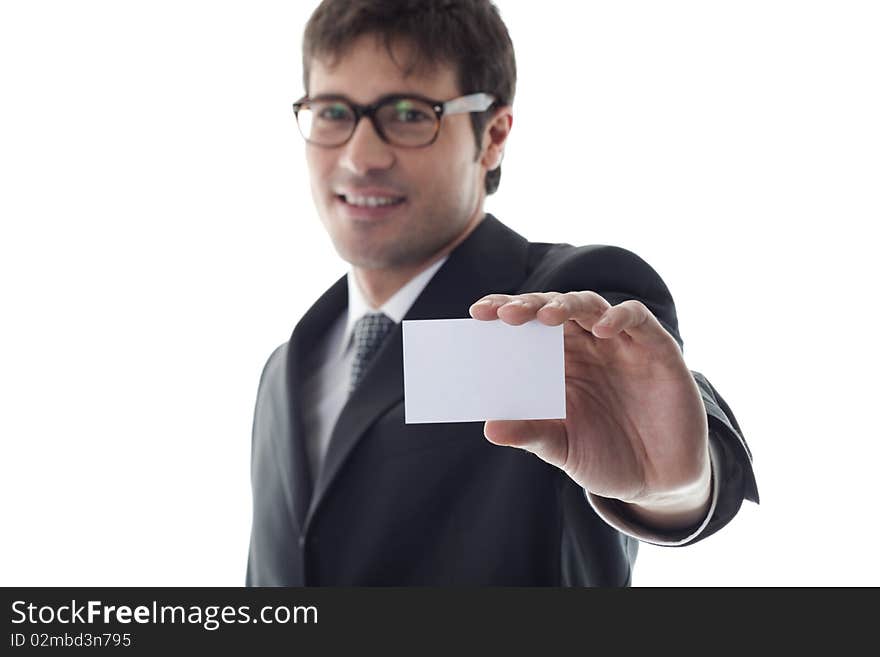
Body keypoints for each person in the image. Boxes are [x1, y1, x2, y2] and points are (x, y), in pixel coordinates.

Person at [246, 0, 758, 586]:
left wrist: (680, 487)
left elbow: (664, 451)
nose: (360, 157)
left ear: (491, 136)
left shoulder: (552, 310)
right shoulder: (285, 369)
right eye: (334, 112)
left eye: (411, 114)